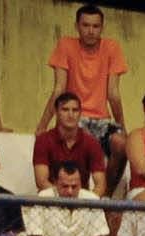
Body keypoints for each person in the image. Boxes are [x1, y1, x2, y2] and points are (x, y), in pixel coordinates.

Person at [35, 2, 125, 189]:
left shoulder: (112, 47)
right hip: (74, 116)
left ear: (102, 27)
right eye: (86, 25)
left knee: (121, 144)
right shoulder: (66, 45)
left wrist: (122, 127)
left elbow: (113, 94)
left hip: (102, 120)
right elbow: (59, 88)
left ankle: (105, 196)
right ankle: (73, 193)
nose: (91, 31)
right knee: (74, 141)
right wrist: (42, 125)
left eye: (96, 26)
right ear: (77, 26)